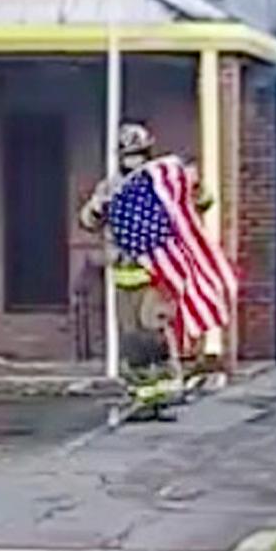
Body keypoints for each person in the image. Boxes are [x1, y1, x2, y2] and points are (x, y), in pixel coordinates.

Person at [79, 123, 212, 412]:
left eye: (139, 154)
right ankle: (144, 394)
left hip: (156, 274)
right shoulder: (111, 186)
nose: (134, 160)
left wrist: (196, 186)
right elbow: (88, 221)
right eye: (128, 155)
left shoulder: (160, 184)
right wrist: (97, 208)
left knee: (153, 329)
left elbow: (200, 203)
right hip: (123, 276)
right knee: (132, 339)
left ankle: (168, 388)